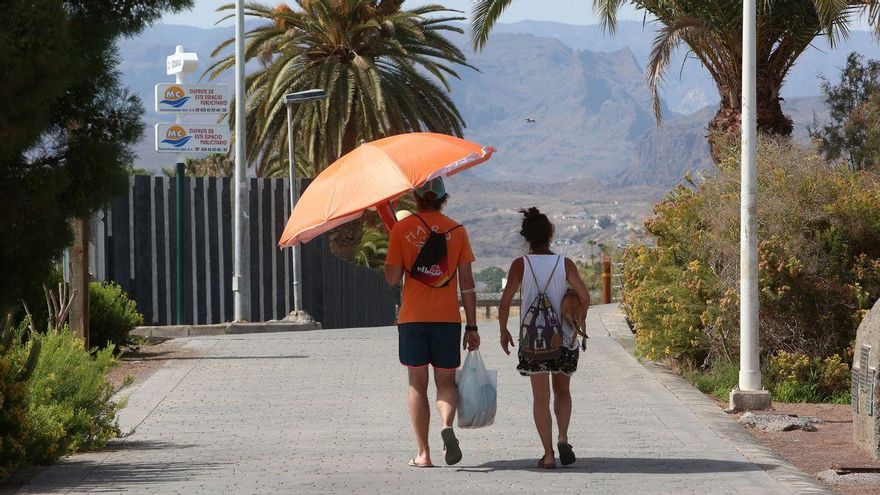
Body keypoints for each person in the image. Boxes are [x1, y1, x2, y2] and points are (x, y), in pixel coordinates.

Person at [385, 177, 480, 468]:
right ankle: (446, 425)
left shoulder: (401, 229)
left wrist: (400, 249)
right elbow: (467, 285)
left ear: (416, 198)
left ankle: (423, 453)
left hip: (413, 319)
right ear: (443, 198)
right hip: (447, 319)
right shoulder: (458, 230)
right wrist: (472, 326)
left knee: (417, 385)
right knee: (446, 383)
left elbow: (392, 278)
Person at [498, 207, 590, 469]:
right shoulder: (565, 263)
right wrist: (578, 320)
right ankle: (563, 437)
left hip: (534, 340)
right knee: (563, 390)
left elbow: (505, 303)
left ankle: (548, 455)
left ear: (526, 236)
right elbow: (585, 297)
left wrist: (503, 330)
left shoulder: (520, 265)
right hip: (564, 339)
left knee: (541, 398)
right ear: (551, 234)